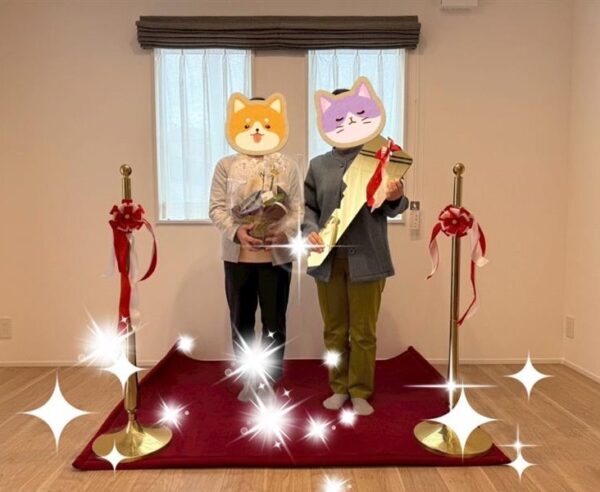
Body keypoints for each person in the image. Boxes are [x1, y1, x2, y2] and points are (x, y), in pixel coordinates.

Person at [303, 83, 409, 416]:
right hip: (327, 260)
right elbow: (307, 207)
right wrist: (309, 230)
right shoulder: (318, 165)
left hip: (368, 258)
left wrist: (395, 196)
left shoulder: (380, 159)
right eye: (337, 118)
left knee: (363, 331)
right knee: (334, 329)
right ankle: (339, 386)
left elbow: (393, 206)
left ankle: (360, 390)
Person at [209, 93, 302, 402]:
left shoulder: (287, 166)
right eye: (249, 124)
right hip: (237, 259)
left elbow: (298, 210)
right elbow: (216, 208)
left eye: (266, 123)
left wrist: (283, 232)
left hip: (277, 258)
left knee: (274, 323)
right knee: (242, 322)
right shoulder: (226, 166)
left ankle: (270, 380)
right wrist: (237, 231)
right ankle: (248, 379)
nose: (257, 131)